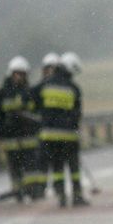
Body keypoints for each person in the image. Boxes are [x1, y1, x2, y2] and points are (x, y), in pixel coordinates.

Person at [33, 51, 86, 207]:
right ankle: (77, 196)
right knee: (73, 167)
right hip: (69, 136)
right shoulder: (74, 88)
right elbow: (77, 114)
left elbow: (32, 100)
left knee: (57, 167)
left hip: (49, 136)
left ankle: (61, 196)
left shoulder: (44, 85)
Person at [0, 56, 42, 202]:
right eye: (17, 73)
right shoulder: (1, 94)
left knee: (31, 168)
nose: (20, 77)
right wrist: (0, 130)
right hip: (11, 140)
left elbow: (39, 113)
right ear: (11, 74)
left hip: (29, 139)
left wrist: (32, 122)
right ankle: (18, 191)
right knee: (14, 168)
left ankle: (33, 190)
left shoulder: (31, 93)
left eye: (22, 74)